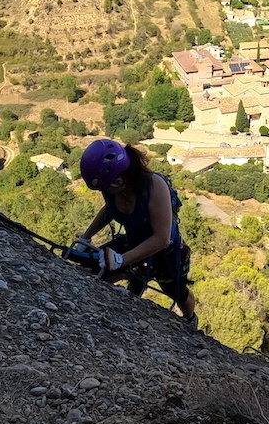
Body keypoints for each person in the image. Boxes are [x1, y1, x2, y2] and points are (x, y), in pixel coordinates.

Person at [77, 139, 196, 326]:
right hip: (134, 240)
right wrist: (86, 236)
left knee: (176, 291)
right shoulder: (111, 187)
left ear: (118, 180)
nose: (104, 192)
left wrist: (121, 260)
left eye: (105, 188)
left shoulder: (154, 186)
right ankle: (135, 280)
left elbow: (162, 238)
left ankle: (190, 320)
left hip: (166, 251)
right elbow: (109, 209)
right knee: (94, 267)